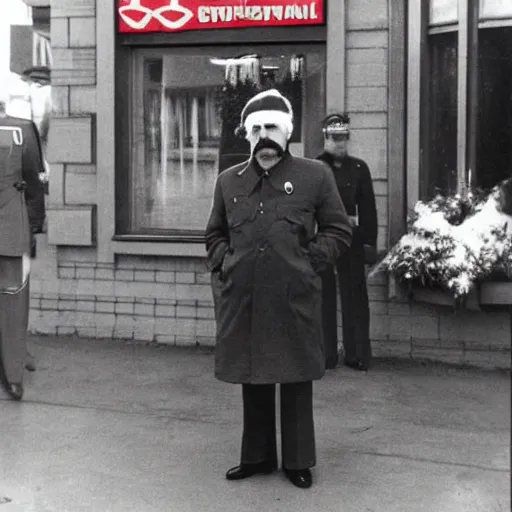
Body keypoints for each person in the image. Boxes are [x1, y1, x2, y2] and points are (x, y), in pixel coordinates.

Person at [205, 89, 352, 489]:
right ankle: (256, 457)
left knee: (295, 378)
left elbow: (339, 230)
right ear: (246, 136)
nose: (263, 136)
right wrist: (225, 264)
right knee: (253, 377)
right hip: (245, 298)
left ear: (286, 132)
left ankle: (298, 461)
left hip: (293, 296)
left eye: (271, 127)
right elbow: (214, 234)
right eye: (255, 130)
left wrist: (309, 263)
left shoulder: (315, 176)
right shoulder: (228, 180)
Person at [317, 113, 378, 371]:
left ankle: (357, 354)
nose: (339, 144)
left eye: (343, 138)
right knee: (323, 297)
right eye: (334, 138)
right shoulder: (315, 167)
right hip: (323, 239)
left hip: (351, 240)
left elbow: (369, 209)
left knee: (355, 296)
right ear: (325, 139)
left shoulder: (359, 168)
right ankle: (325, 354)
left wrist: (369, 244)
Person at [0, 92, 46, 399]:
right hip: (11, 228)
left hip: (11, 228)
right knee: (13, 303)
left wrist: (30, 227)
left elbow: (32, 184)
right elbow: (35, 184)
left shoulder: (21, 129)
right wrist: (32, 226)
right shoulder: (21, 130)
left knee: (12, 301)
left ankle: (15, 367)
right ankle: (13, 373)